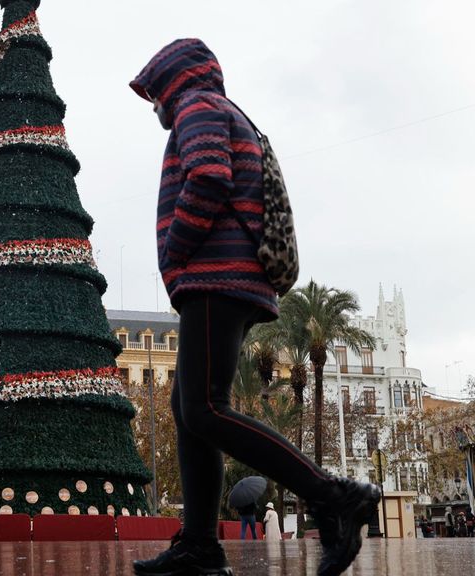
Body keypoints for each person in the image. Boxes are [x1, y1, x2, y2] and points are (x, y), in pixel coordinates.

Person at [128, 38, 380, 576]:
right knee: (188, 412)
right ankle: (198, 544)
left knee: (204, 408)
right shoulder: (222, 110)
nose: (153, 107)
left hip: (216, 277)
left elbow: (209, 178)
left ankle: (332, 494)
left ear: (172, 80)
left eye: (154, 93)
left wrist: (176, 249)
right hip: (228, 280)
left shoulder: (197, 108)